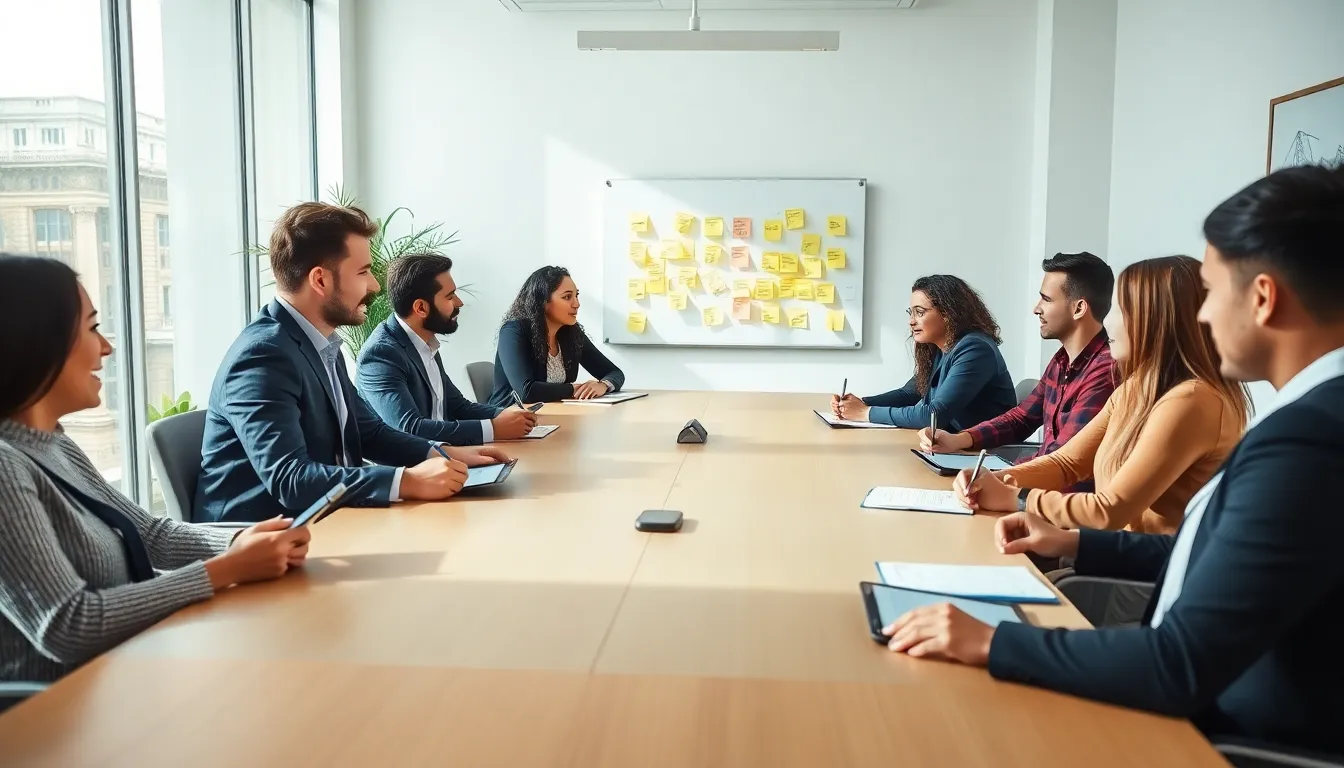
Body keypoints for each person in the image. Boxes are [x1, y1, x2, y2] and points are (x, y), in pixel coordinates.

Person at [881, 164, 1344, 755]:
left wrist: (993, 642)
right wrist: (1070, 542)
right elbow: (1202, 550)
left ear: (1262, 298)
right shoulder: (1308, 419)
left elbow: (1177, 665)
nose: (1203, 317)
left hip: (1218, 737)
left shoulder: (1308, 441)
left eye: (1213, 293)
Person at [0, 254, 310, 684]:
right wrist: (227, 569)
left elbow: (148, 535)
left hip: (128, 674)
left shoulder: (54, 443)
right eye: (91, 328)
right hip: (62, 713)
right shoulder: (5, 468)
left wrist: (238, 539)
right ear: (36, 342)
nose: (106, 347)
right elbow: (67, 625)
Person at [195, 203, 509, 523]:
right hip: (263, 542)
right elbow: (290, 479)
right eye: (363, 272)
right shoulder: (263, 356)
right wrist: (408, 481)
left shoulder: (322, 343)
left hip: (328, 520)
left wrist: (443, 454)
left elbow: (370, 433)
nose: (374, 286)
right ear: (320, 280)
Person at [954, 255, 1250, 536]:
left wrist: (1016, 498)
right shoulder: (1137, 387)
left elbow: (1111, 510)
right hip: (1107, 553)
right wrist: (994, 481)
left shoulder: (1192, 400)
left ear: (1158, 321)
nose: (1108, 322)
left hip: (1142, 575)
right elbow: (1066, 463)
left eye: (1121, 310)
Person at [920, 252, 1116, 479]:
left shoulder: (1105, 371)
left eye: (1047, 299)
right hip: (1035, 484)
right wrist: (959, 439)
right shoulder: (1061, 361)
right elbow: (1021, 419)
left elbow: (1064, 462)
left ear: (1079, 308)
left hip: (1057, 500)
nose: (1036, 308)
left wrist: (997, 478)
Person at [357, 252, 538, 444]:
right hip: (414, 468)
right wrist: (493, 429)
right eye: (450, 296)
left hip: (446, 456)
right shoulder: (381, 354)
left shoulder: (426, 342)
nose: (459, 303)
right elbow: (410, 428)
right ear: (421, 308)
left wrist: (509, 415)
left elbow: (457, 407)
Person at [832, 275, 1016, 429]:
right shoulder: (939, 347)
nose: (911, 322)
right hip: (952, 446)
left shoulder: (975, 349)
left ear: (949, 313)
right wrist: (860, 404)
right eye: (910, 313)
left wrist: (865, 413)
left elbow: (933, 415)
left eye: (920, 312)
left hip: (980, 455)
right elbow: (910, 393)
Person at [488, 266, 625, 407]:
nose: (577, 304)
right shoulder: (513, 331)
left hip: (553, 414)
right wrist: (575, 389)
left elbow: (614, 372)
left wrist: (603, 385)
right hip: (510, 417)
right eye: (567, 297)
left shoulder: (571, 333)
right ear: (543, 301)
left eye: (576, 295)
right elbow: (526, 391)